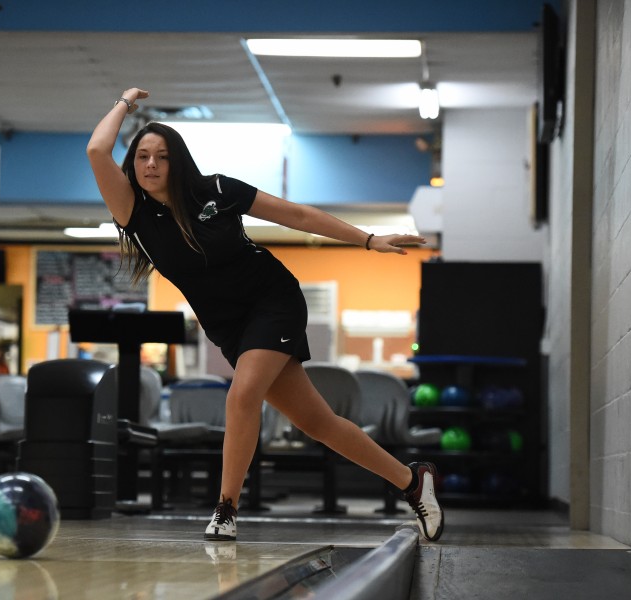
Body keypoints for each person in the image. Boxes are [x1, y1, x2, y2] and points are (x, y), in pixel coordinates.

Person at [86, 87, 444, 543]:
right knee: (318, 424)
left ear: (179, 162)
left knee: (242, 395)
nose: (151, 165)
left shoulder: (215, 190)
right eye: (141, 157)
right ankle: (413, 481)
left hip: (273, 301)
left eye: (161, 156)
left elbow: (297, 215)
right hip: (230, 328)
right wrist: (122, 104)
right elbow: (97, 149)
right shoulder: (132, 212)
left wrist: (367, 239)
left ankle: (226, 508)